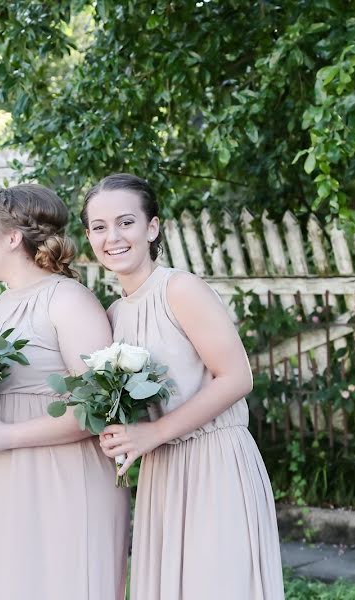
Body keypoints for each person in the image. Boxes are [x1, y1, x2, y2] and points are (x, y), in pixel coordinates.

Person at [86, 173, 284, 599]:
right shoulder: (114, 313)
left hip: (214, 461)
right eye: (99, 227)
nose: (112, 237)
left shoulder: (180, 289)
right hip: (162, 471)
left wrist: (153, 432)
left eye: (125, 222)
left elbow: (237, 377)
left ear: (152, 228)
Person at [0, 184, 130, 600]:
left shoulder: (67, 300)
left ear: (12, 237)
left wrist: (6, 436)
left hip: (64, 480)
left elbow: (99, 405)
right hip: (8, 480)